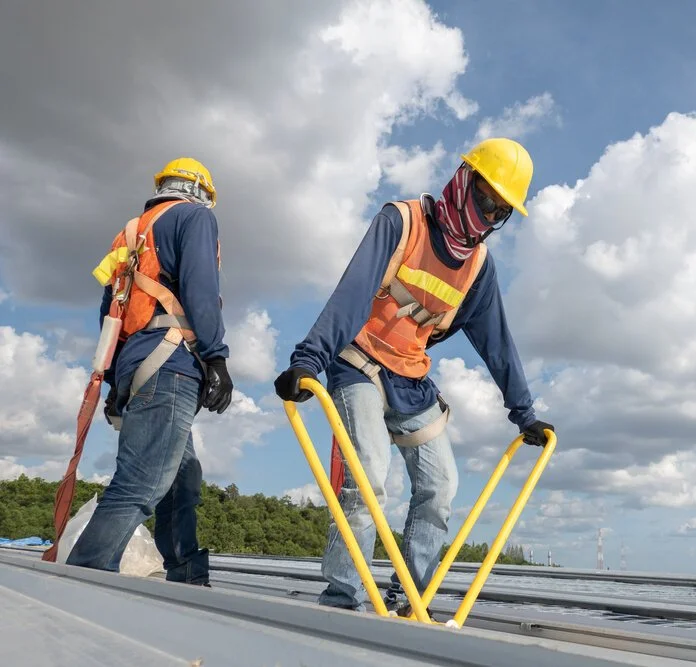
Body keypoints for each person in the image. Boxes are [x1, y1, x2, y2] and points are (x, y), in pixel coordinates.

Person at [274, 137, 555, 615]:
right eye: (485, 200)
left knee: (440, 487)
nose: (487, 217)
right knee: (368, 482)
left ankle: (412, 600)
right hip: (358, 362)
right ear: (464, 182)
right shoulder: (401, 223)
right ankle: (343, 598)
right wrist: (309, 359)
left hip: (410, 378)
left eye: (500, 212)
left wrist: (524, 413)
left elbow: (497, 343)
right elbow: (351, 294)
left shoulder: (478, 267)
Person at [66, 157, 233, 586]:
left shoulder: (131, 233)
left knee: (181, 479)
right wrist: (216, 356)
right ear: (201, 192)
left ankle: (186, 572)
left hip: (136, 362)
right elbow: (200, 286)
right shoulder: (194, 217)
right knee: (143, 480)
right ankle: (85, 577)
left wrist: (114, 383)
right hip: (171, 361)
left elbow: (111, 312)